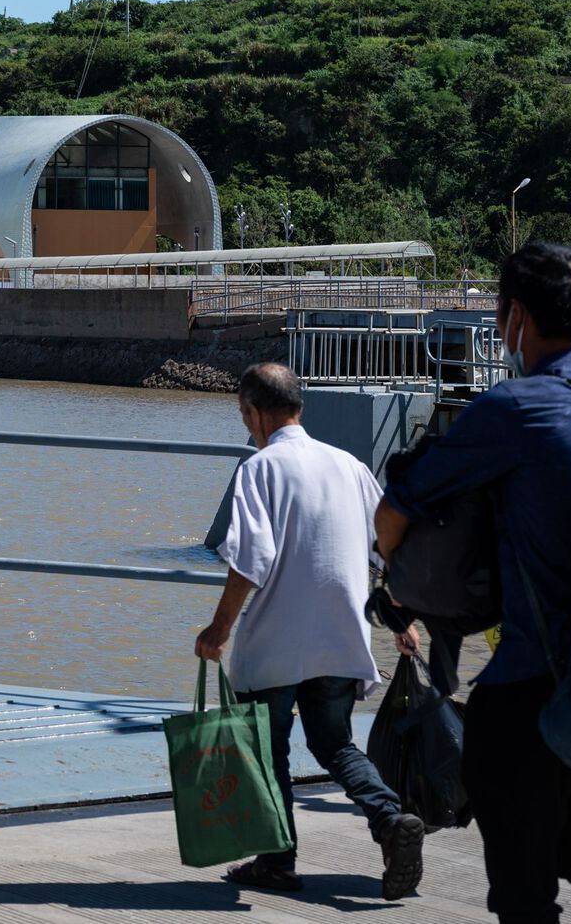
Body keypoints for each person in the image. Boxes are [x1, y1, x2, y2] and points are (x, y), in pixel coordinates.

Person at [378, 242, 571, 924]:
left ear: (514, 316)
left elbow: (398, 506)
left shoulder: (516, 408)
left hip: (531, 689)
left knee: (522, 889)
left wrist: (391, 574)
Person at [192, 363, 424, 898]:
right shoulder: (348, 465)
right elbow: (388, 549)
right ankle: (390, 819)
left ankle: (277, 861)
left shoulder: (260, 468)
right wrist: (399, 619)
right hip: (342, 638)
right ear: (300, 406)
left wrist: (219, 628)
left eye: (243, 416)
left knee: (268, 750)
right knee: (335, 743)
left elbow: (251, 559)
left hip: (276, 643)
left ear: (253, 412)